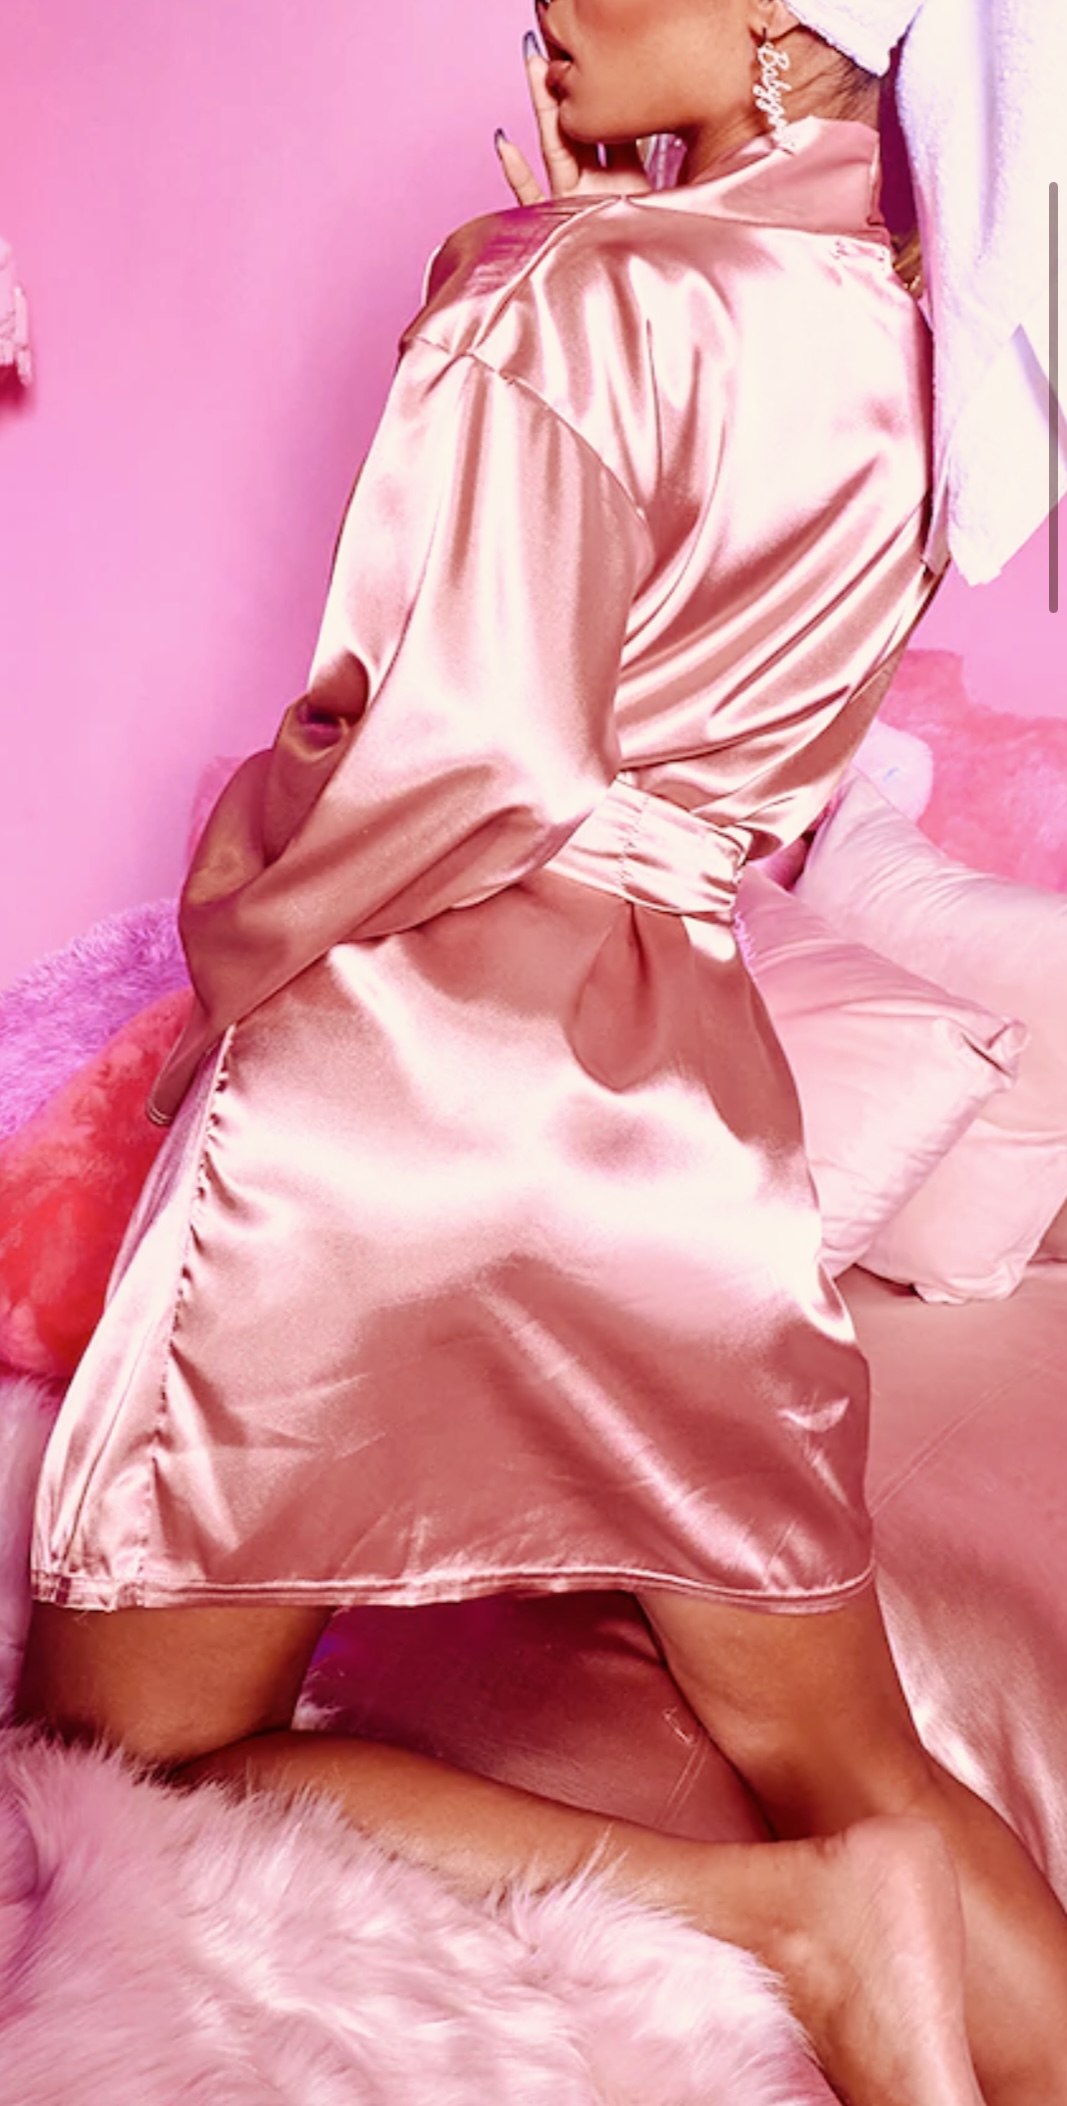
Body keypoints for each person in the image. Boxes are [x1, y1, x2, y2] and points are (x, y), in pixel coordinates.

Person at [15, 1, 1067, 2099]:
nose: (548, 9)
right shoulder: (924, 355)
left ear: (778, 11)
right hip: (691, 1109)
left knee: (92, 1759)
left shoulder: (571, 296)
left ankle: (774, 1920)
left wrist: (234, 932)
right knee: (859, 1759)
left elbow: (462, 759)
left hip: (408, 1080)